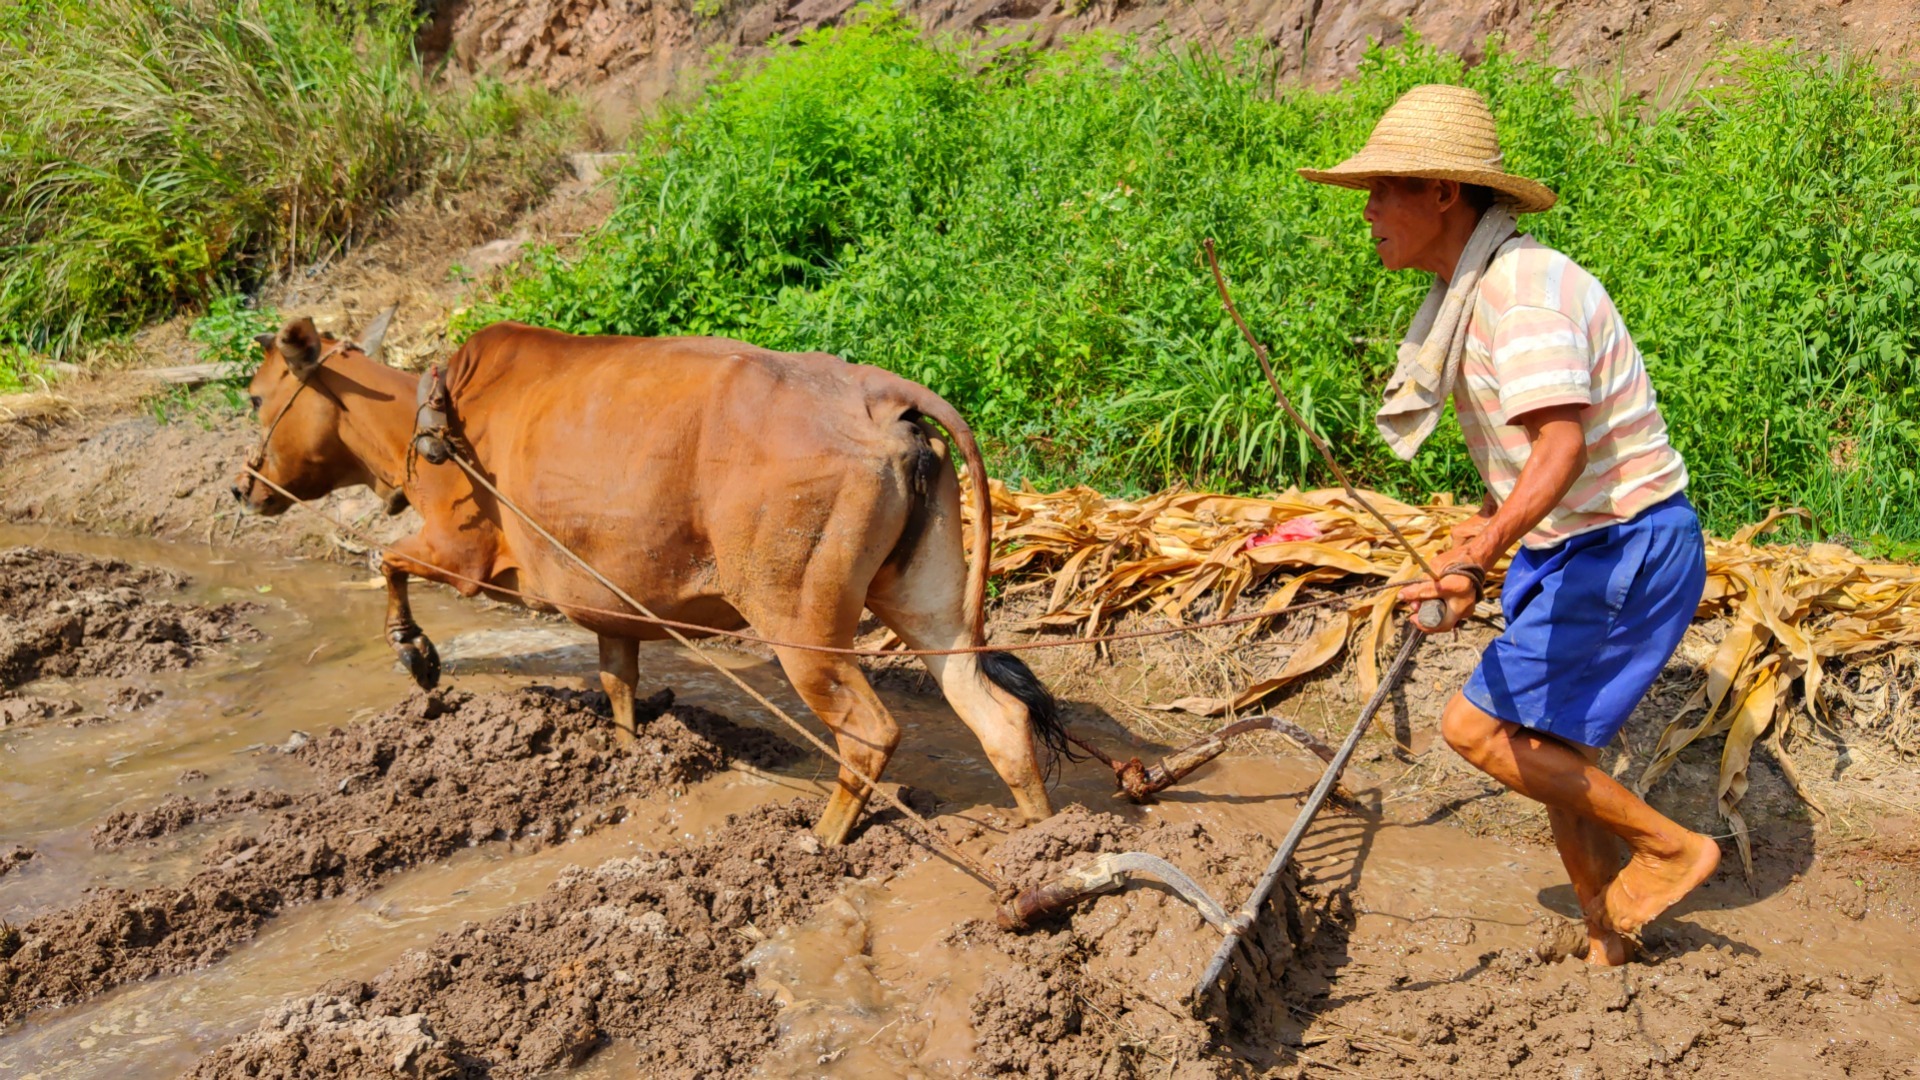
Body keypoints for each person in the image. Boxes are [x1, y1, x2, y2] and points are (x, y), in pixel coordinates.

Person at [1298, 84, 1721, 965]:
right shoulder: (1477, 289)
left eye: (1385, 189)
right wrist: (1469, 555)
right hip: (1576, 544)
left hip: (1621, 544)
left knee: (1475, 730)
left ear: (1445, 195)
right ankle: (1610, 933)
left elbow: (1561, 448)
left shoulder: (1520, 294)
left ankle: (1676, 847)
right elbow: (1522, 461)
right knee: (1546, 748)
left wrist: (1484, 549)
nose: (1368, 210)